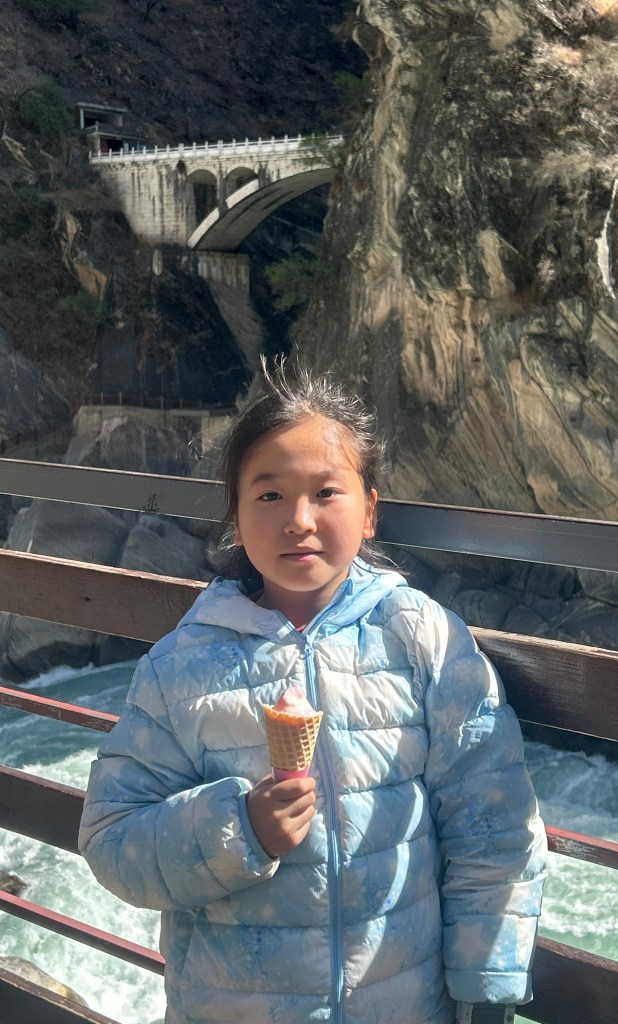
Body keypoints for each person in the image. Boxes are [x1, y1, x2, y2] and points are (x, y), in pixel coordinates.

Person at [79, 360, 547, 1024]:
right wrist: (240, 829)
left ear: (370, 510)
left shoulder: (422, 639)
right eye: (269, 495)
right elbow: (110, 839)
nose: (298, 519)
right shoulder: (180, 669)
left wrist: (485, 990)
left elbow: (493, 827)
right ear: (236, 517)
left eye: (326, 492)